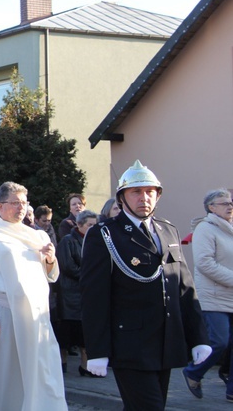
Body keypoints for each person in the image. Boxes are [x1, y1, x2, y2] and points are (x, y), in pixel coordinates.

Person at [80, 160, 210, 410]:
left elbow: (184, 288)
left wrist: (198, 337)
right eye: (136, 192)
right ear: (122, 197)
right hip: (129, 343)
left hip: (166, 340)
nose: (144, 198)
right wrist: (97, 350)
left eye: (150, 191)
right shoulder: (105, 234)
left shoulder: (167, 230)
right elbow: (94, 297)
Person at [0, 181, 66, 410]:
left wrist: (49, 260)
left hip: (35, 318)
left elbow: (50, 275)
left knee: (37, 375)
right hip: (2, 314)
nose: (21, 208)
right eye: (15, 203)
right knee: (3, 378)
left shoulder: (33, 236)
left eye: (24, 203)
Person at [182, 188, 233, 401]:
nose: (230, 206)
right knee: (219, 341)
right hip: (214, 297)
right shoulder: (205, 228)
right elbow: (204, 263)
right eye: (224, 203)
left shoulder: (230, 228)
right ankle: (193, 371)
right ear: (211, 207)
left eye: (231, 202)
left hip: (231, 296)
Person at [55, 209, 98, 376]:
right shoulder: (68, 241)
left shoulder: (94, 241)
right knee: (66, 334)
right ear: (79, 225)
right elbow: (67, 266)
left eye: (95, 225)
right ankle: (62, 363)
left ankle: (85, 366)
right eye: (90, 225)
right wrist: (90, 275)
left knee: (84, 334)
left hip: (86, 294)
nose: (93, 228)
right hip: (69, 295)